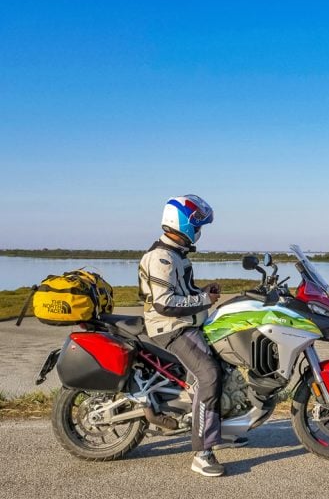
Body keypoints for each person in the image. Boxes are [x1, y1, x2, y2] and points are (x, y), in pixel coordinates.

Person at [138, 194, 245, 477]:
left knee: (226, 360)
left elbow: (183, 294)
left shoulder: (176, 255)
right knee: (208, 375)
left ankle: (219, 427)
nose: (199, 231)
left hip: (187, 324)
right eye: (197, 224)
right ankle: (202, 452)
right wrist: (204, 301)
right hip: (170, 329)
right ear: (183, 223)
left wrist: (202, 293)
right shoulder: (160, 257)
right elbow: (166, 304)